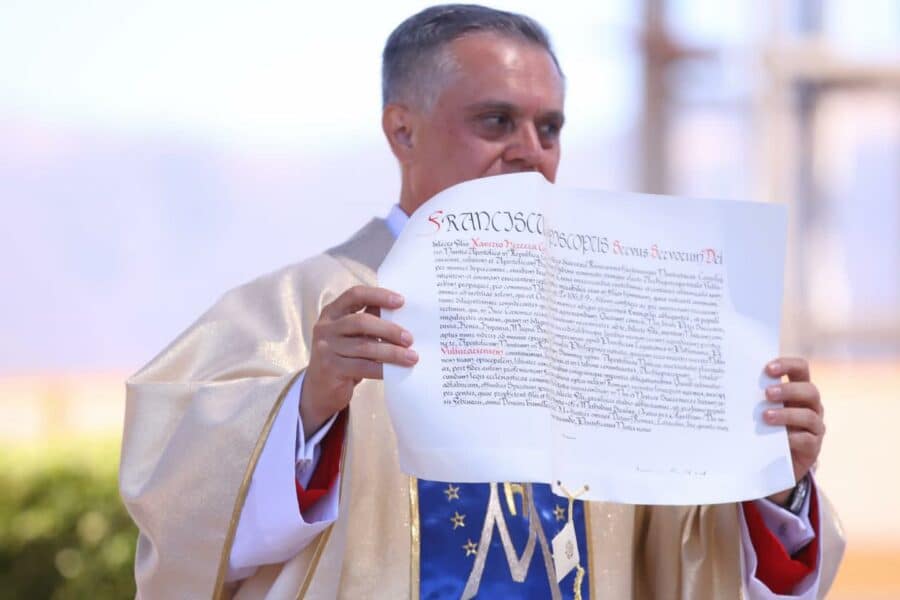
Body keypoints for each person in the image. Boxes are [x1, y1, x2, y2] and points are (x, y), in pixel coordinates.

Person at [120, 5, 845, 599]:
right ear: (402, 129)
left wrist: (773, 480)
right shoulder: (293, 312)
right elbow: (180, 520)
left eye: (549, 127)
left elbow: (688, 552)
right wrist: (308, 409)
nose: (531, 149)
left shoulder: (621, 324)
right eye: (497, 121)